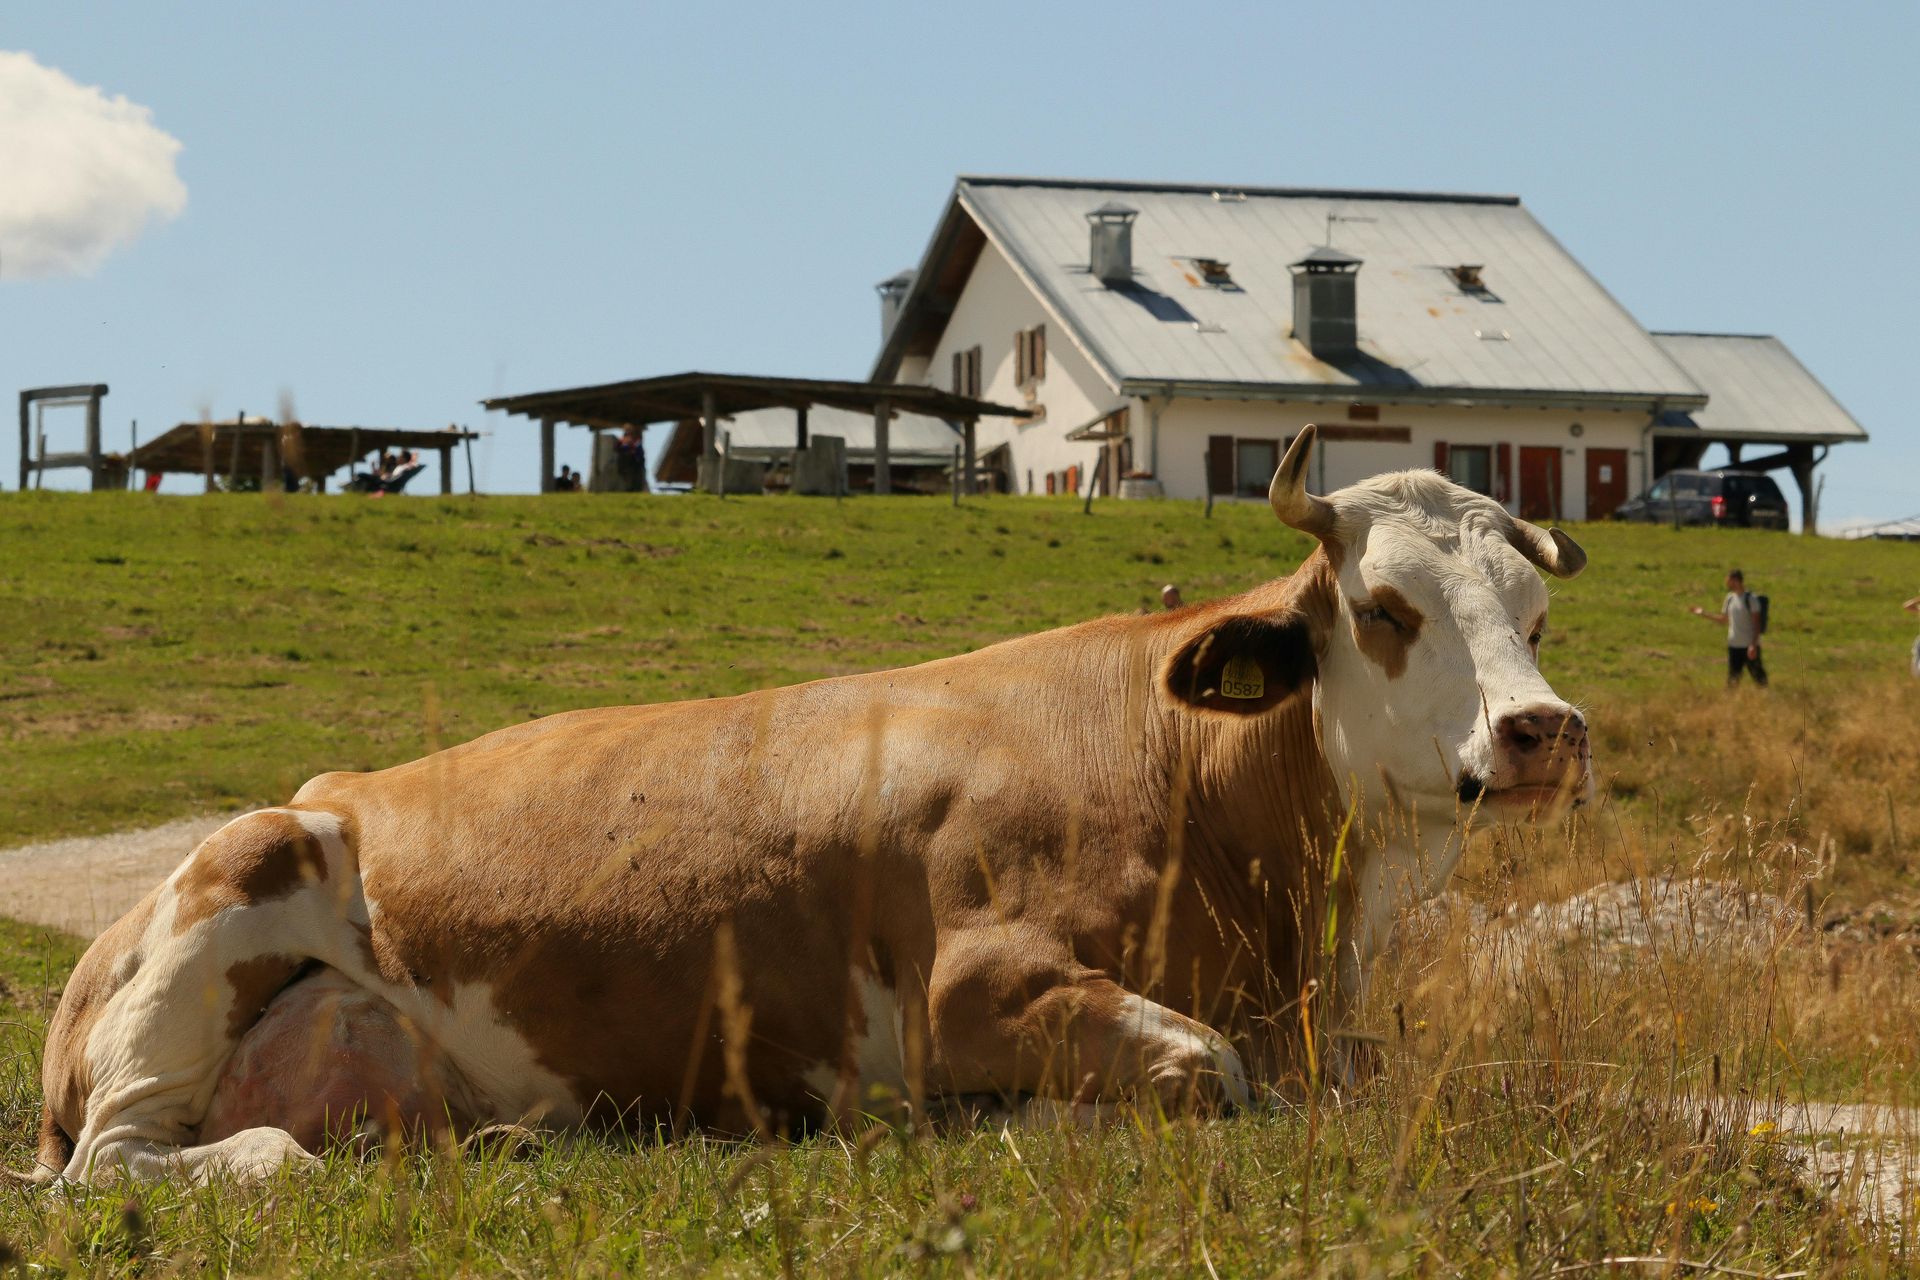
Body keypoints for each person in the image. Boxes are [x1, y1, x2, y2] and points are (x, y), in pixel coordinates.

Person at [1688, 568, 1766, 687]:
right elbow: (1723, 619)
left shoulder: (1751, 599)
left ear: (1736, 581)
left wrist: (1753, 645)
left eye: (1729, 580)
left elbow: (1757, 624)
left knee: (1759, 678)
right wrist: (1703, 613)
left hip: (1749, 646)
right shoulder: (1729, 598)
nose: (1727, 583)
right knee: (1733, 679)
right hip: (1734, 645)